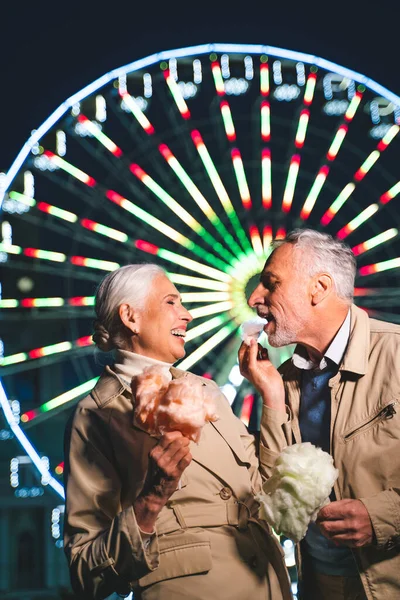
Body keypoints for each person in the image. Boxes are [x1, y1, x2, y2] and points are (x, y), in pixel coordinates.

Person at [63, 263, 293, 600]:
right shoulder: (97, 415)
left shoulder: (207, 390)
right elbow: (86, 573)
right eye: (172, 302)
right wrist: (150, 501)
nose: (187, 315)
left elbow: (271, 487)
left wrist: (272, 394)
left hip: (267, 584)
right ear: (131, 317)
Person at [238, 228, 400, 600]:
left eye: (270, 283)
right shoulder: (283, 381)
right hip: (319, 584)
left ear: (319, 288)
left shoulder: (396, 355)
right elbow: (274, 491)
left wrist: (382, 517)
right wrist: (272, 395)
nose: (254, 298)